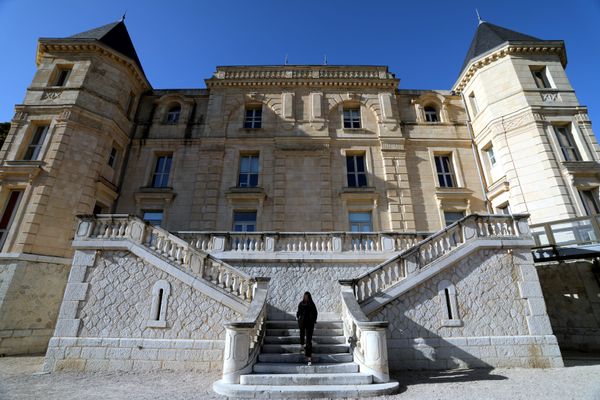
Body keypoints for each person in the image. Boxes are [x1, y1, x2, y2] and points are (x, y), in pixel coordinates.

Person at [296, 291, 318, 365]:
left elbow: (298, 313)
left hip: (307, 324)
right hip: (305, 323)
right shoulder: (306, 304)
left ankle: (308, 356)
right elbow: (298, 313)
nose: (306, 298)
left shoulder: (307, 304)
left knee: (307, 339)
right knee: (306, 338)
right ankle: (307, 355)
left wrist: (313, 320)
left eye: (306, 297)